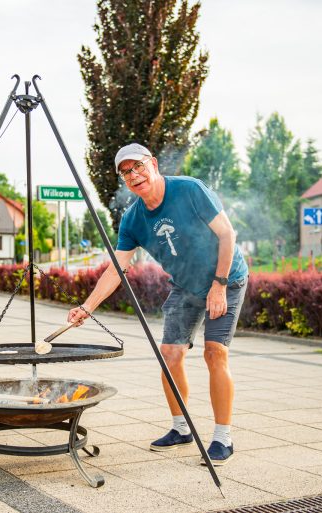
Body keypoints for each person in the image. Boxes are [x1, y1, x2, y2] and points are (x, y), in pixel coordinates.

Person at [68, 143, 248, 466]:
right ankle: (181, 429)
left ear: (153, 163)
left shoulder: (190, 191)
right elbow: (115, 269)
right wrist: (87, 307)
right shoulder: (133, 220)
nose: (134, 175)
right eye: (126, 172)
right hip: (186, 284)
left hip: (227, 277)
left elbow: (228, 235)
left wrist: (219, 286)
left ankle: (223, 437)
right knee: (169, 354)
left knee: (214, 352)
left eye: (138, 166)